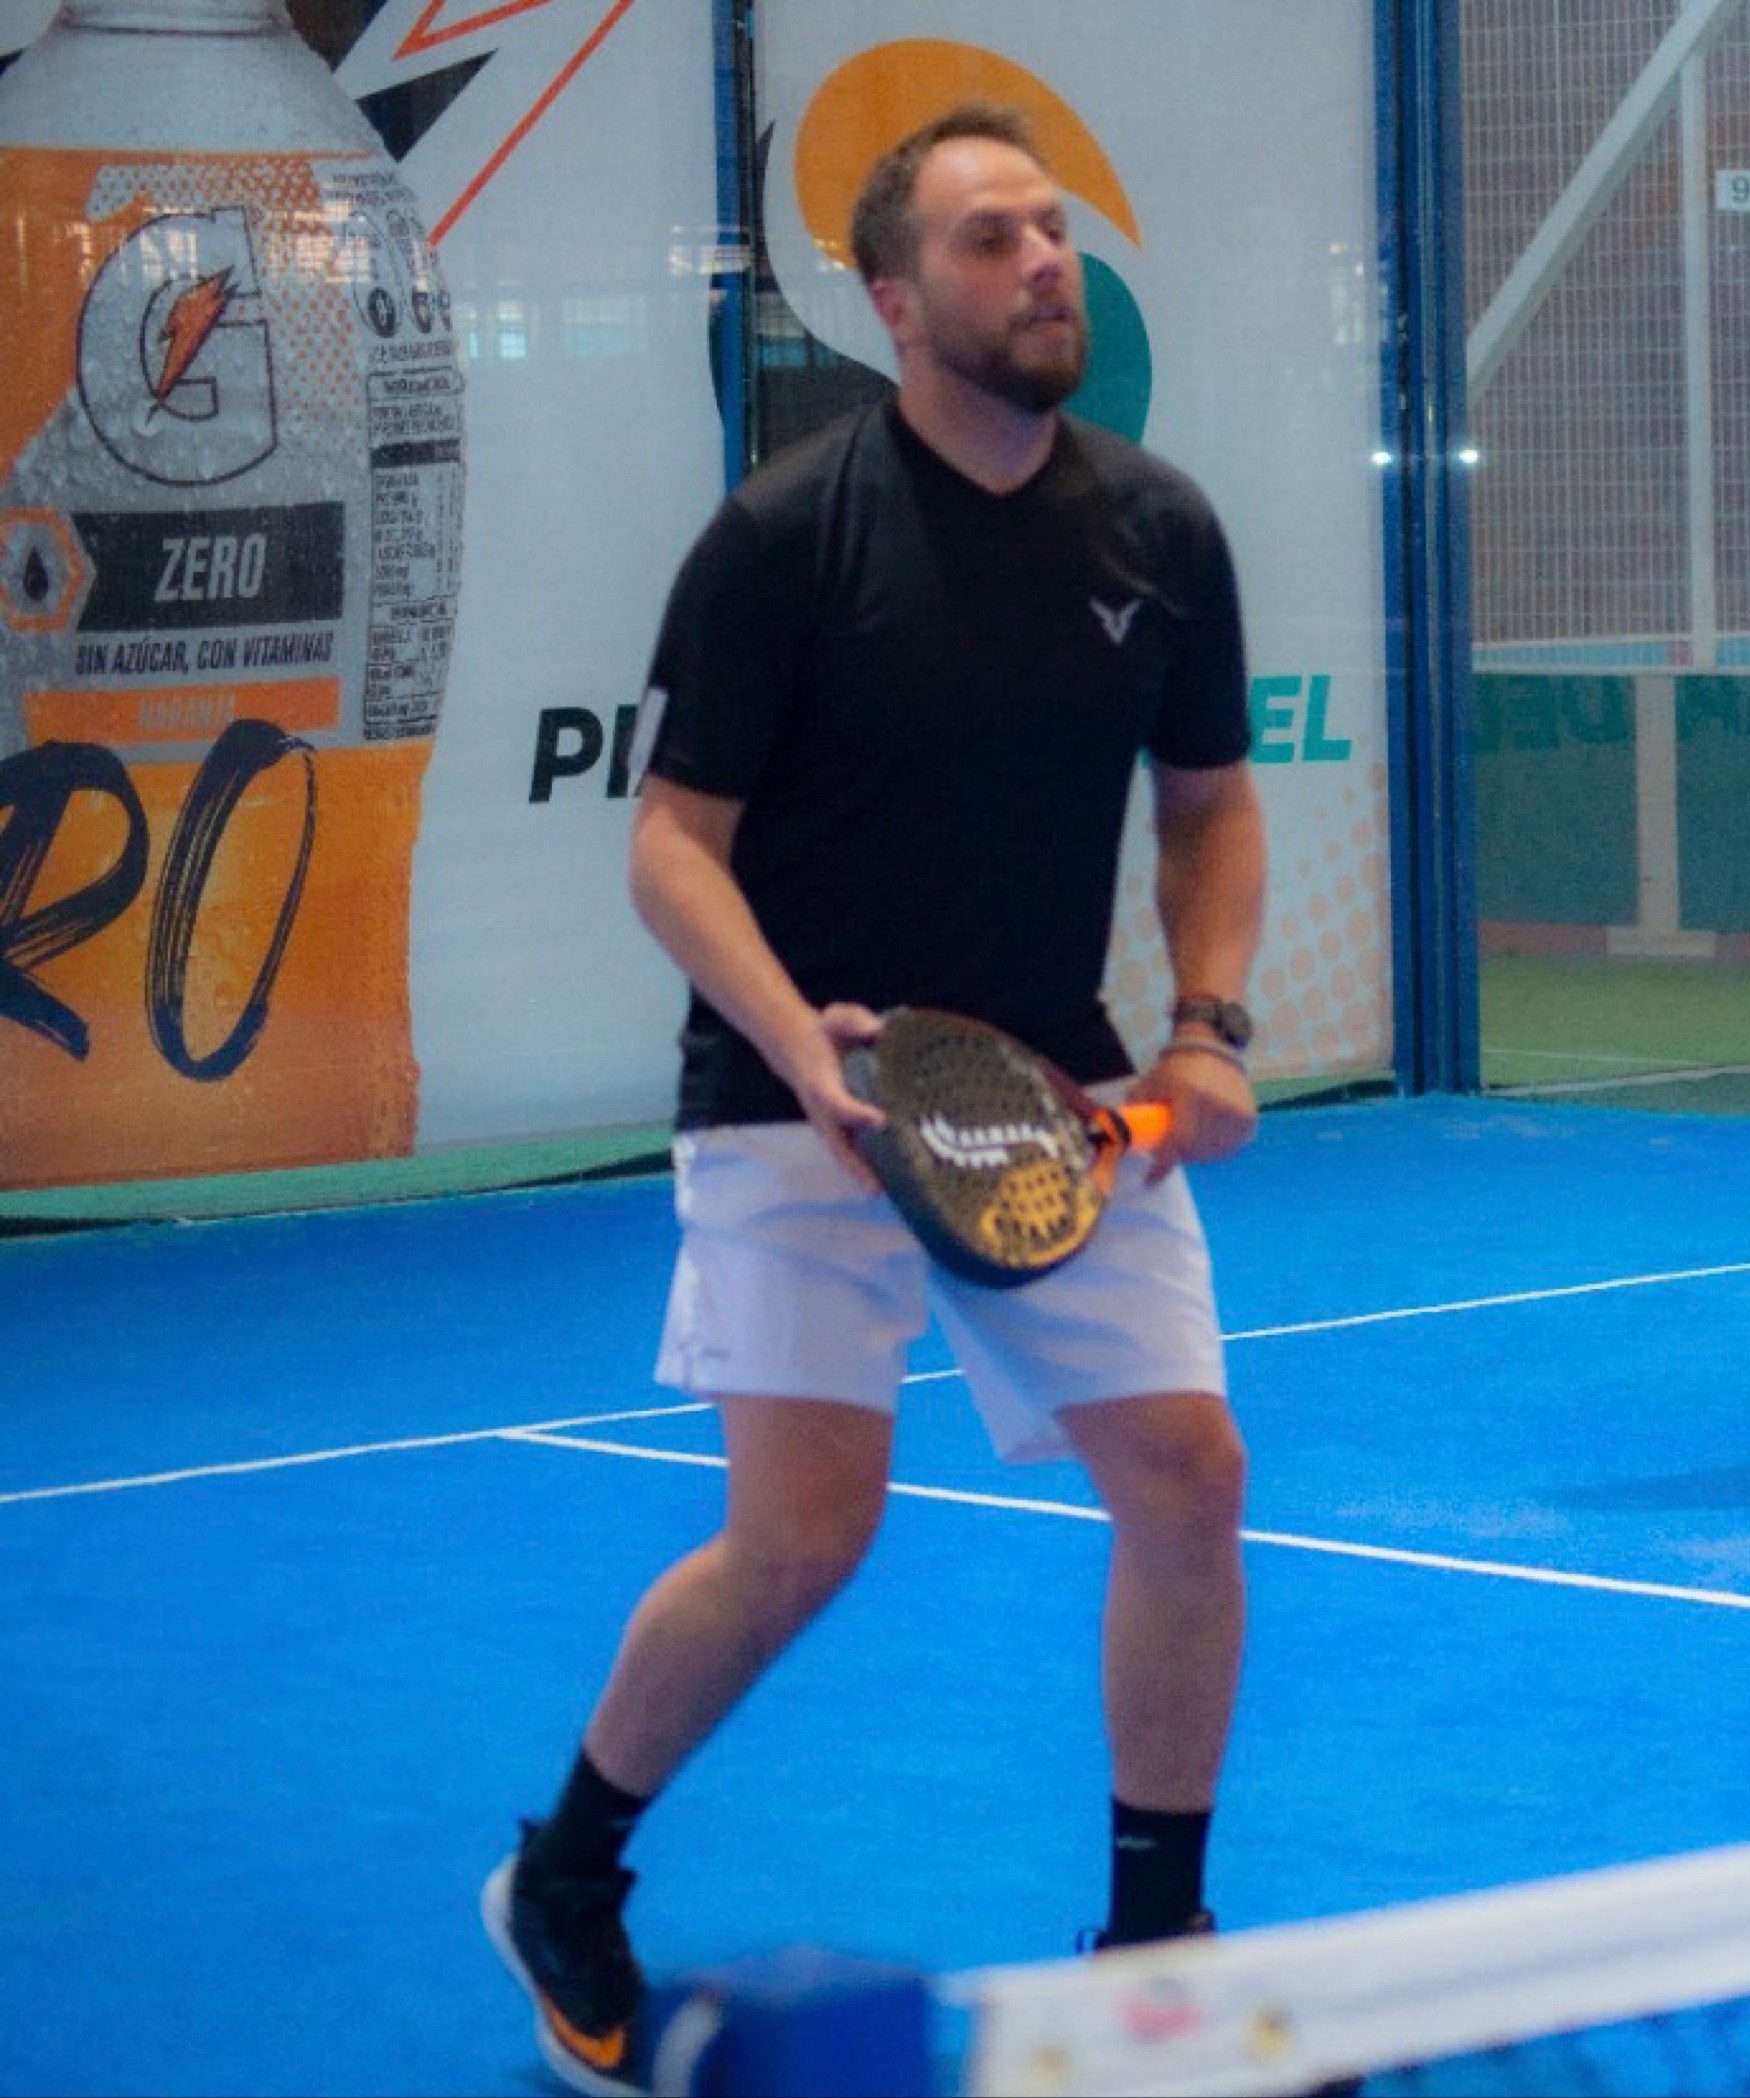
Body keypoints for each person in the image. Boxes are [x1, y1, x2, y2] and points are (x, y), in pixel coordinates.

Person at [483, 100, 1268, 2095]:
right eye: (993, 238)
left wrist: (1208, 1026)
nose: (1045, 261)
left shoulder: (1160, 531)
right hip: (792, 1094)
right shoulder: (781, 540)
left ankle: (1155, 1953)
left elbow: (1209, 800)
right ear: (893, 298)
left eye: (1054, 228)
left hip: (1048, 1085)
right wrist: (803, 1050)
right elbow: (673, 846)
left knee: (1189, 1477)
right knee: (802, 1538)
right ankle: (564, 1872)